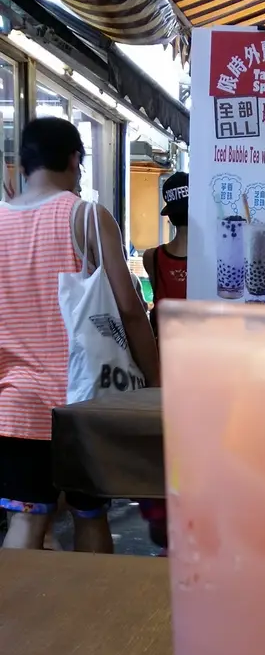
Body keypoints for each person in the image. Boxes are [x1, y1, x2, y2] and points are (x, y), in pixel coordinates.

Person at [0, 117, 160, 551]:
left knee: (26, 520)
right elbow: (130, 310)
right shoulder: (86, 216)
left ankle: (16, 600)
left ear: (22, 164)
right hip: (83, 405)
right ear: (75, 160)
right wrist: (155, 381)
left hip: (16, 408)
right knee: (90, 516)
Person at [139, 171, 189, 554]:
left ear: (169, 214)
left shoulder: (152, 258)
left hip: (165, 367)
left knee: (165, 449)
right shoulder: (214, 256)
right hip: (202, 369)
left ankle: (165, 528)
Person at [143, 171, 188, 334]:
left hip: (164, 346)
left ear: (170, 216)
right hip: (200, 346)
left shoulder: (152, 258)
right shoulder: (210, 260)